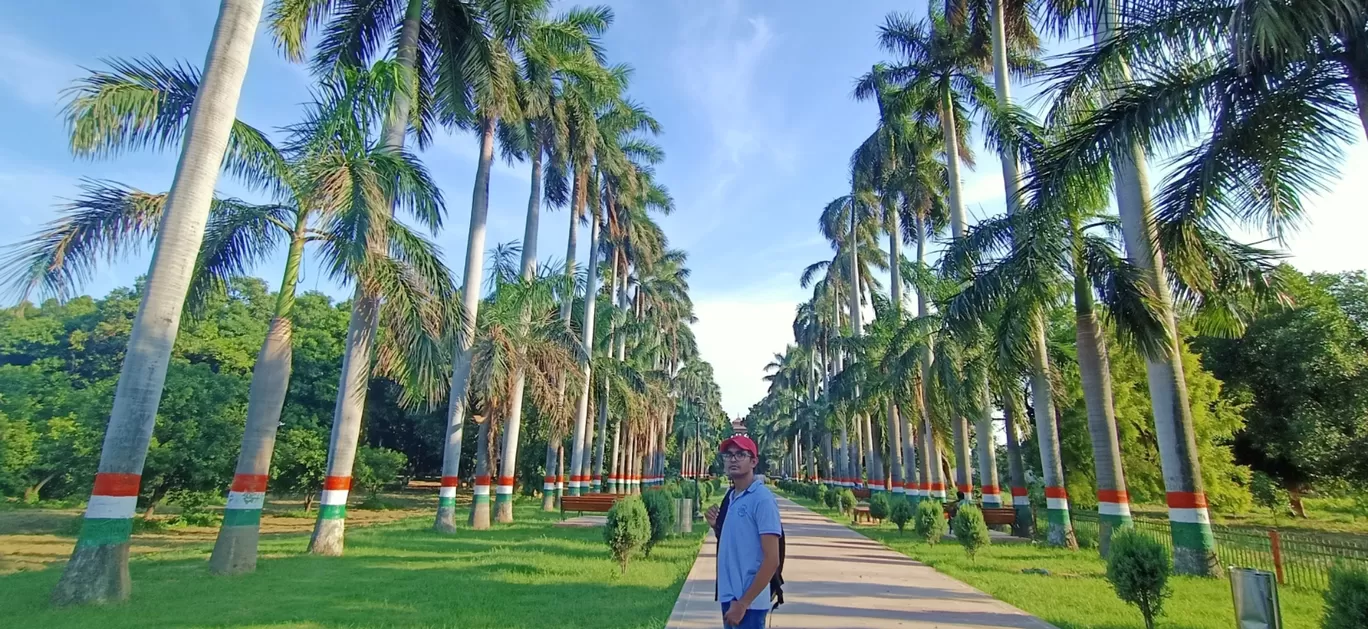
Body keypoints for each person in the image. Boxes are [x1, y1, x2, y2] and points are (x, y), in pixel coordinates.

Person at [704, 435, 781, 629]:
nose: (733, 459)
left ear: (754, 461)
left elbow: (772, 559)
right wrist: (716, 527)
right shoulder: (731, 496)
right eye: (728, 455)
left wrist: (744, 603)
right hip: (730, 598)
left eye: (740, 454)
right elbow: (736, 543)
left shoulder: (761, 499)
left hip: (749, 604)